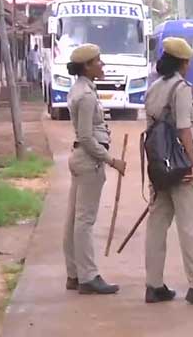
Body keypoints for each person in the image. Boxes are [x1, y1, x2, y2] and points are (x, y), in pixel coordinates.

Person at [144, 37, 193, 305]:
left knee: (157, 225)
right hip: (181, 165)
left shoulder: (154, 88)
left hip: (159, 165)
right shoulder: (180, 88)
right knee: (188, 226)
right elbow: (184, 128)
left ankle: (153, 285)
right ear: (184, 63)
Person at [63, 44, 127, 295]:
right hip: (89, 160)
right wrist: (112, 161)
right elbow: (88, 138)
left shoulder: (80, 89)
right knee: (84, 221)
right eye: (97, 61)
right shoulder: (87, 95)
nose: (102, 65)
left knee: (74, 220)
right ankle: (88, 277)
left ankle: (74, 274)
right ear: (87, 66)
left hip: (80, 158)